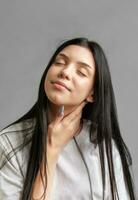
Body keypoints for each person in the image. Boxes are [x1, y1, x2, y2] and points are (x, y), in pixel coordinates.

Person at [0, 37, 136, 200]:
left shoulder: (103, 146)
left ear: (93, 93)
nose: (65, 72)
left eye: (81, 72)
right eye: (59, 62)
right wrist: (51, 151)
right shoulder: (9, 144)